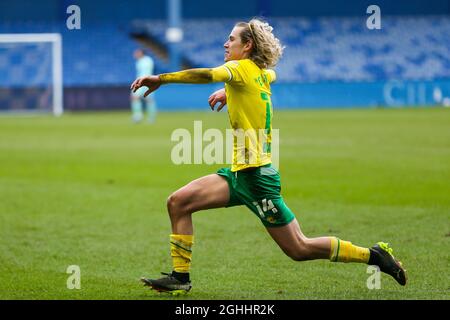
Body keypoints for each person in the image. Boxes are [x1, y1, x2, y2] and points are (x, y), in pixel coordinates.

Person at [131, 18, 407, 295]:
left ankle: (374, 256)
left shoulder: (239, 68)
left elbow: (207, 75)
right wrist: (229, 92)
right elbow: (268, 75)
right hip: (239, 173)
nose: (226, 44)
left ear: (247, 45)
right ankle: (180, 278)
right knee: (178, 202)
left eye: (232, 39)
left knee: (299, 248)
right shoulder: (259, 72)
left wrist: (161, 79)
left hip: (257, 179)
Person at [131, 48, 157, 123]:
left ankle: (142, 117)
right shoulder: (140, 61)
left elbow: (145, 73)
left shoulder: (147, 61)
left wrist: (140, 83)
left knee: (146, 99)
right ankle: (139, 116)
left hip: (145, 82)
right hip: (143, 81)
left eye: (136, 53)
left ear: (141, 53)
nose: (135, 55)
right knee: (144, 99)